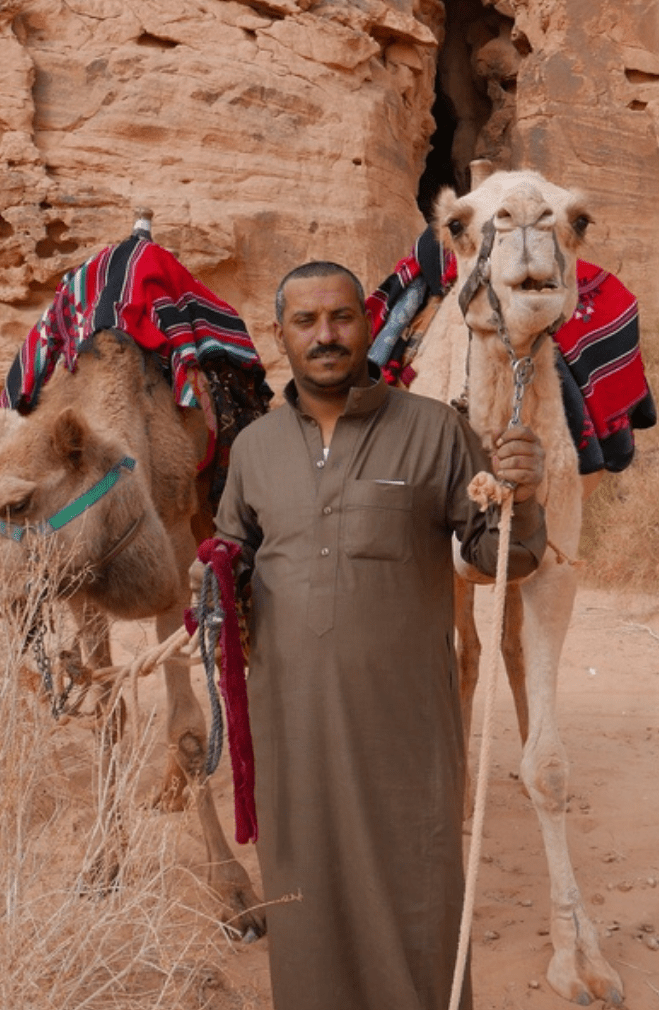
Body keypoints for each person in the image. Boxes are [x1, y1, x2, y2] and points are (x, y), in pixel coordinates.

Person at [202, 261, 548, 1010]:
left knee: (414, 893)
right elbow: (232, 558)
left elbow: (502, 555)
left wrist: (525, 491)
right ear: (281, 335)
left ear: (367, 321)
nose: (325, 336)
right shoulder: (256, 449)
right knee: (305, 894)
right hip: (291, 728)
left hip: (405, 729)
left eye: (341, 317)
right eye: (306, 321)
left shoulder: (434, 430)